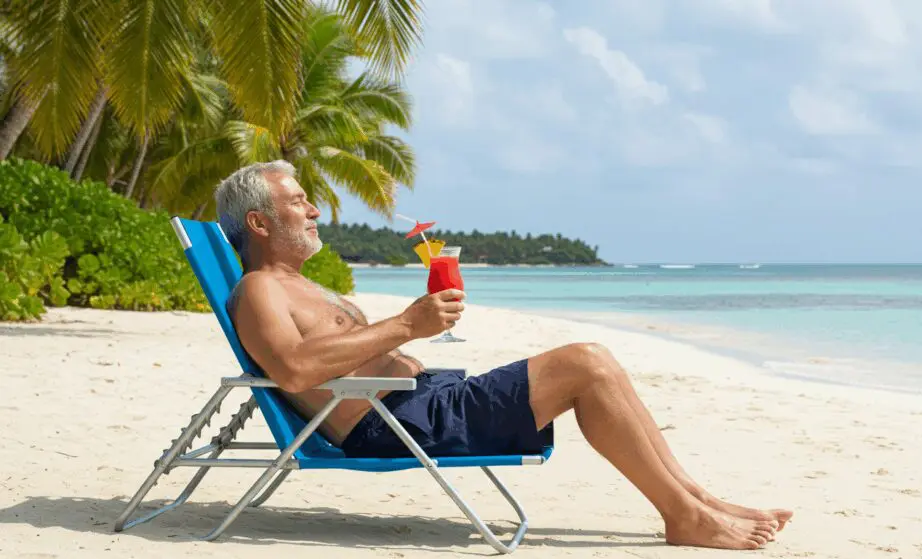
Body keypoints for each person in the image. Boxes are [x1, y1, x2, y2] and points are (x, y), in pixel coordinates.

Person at [215, 161, 792, 550]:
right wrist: (406, 325)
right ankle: (685, 514)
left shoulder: (302, 285)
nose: (314, 210)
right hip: (400, 423)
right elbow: (291, 367)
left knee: (597, 364)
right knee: (586, 363)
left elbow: (328, 356)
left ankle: (697, 500)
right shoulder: (261, 289)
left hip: (424, 404)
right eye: (298, 202)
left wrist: (410, 344)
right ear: (260, 222)